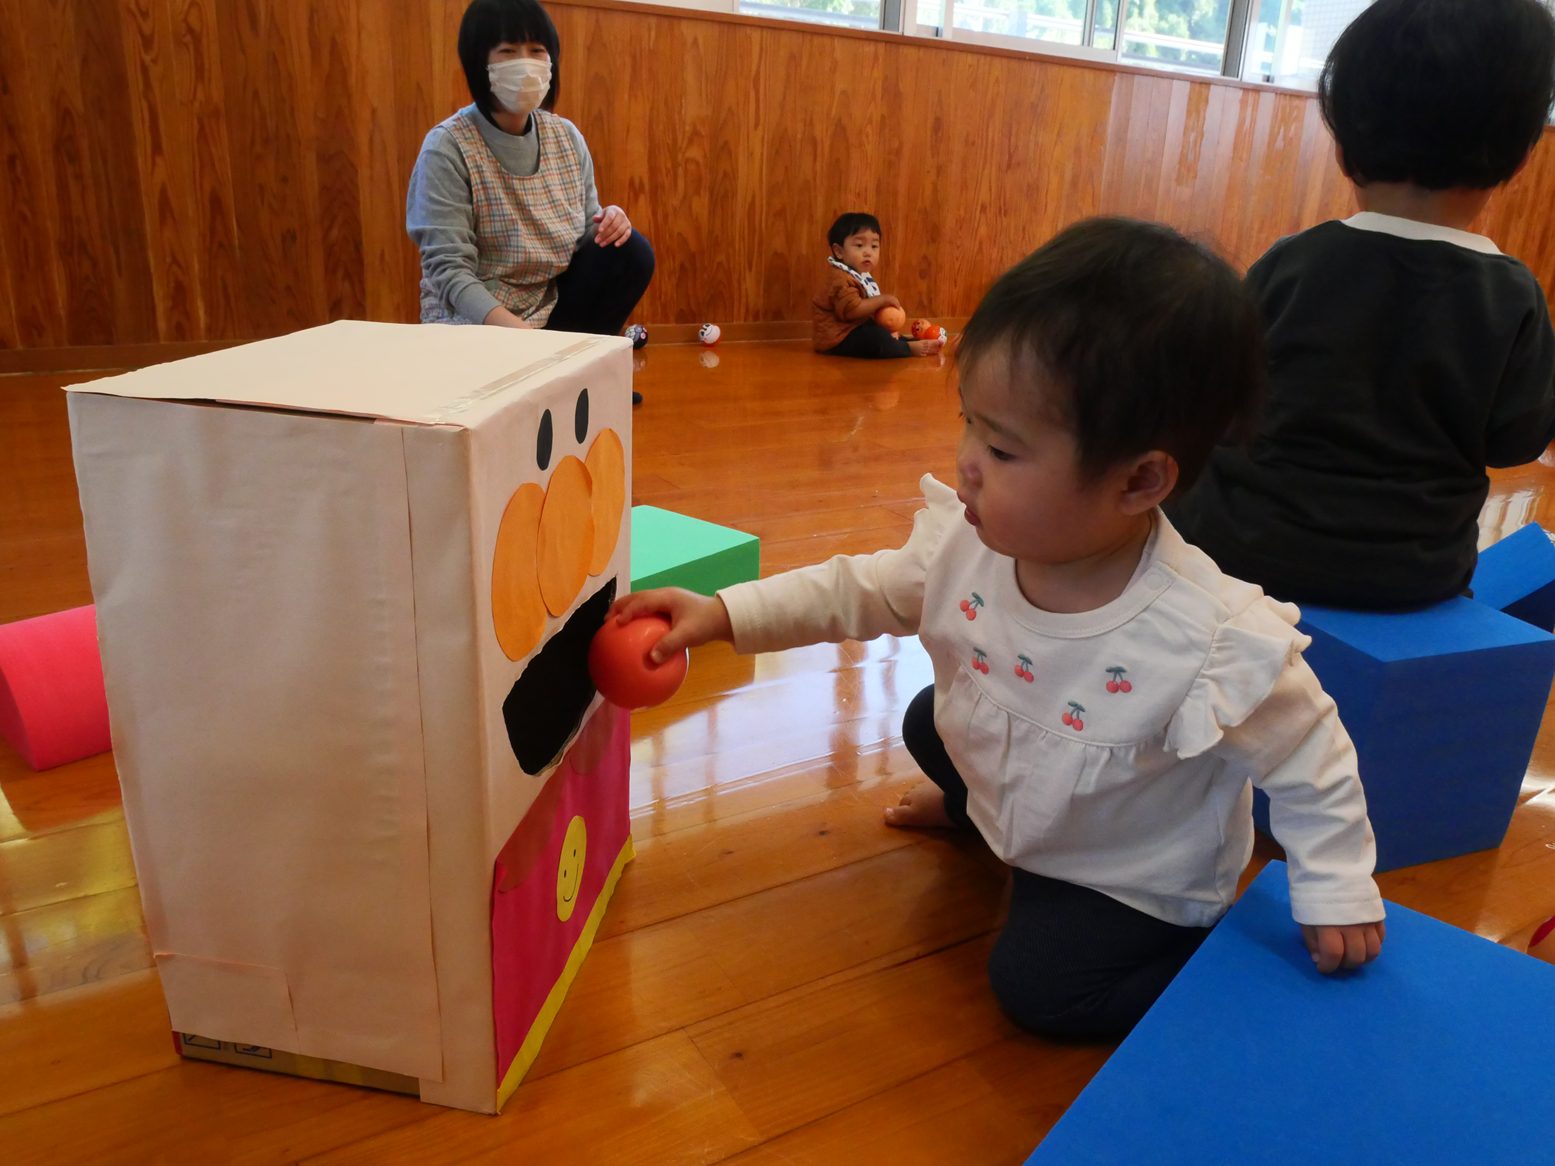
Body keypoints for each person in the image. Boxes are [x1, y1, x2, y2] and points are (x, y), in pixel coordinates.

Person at [612, 219, 1385, 1040]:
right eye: (969, 422)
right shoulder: (966, 545)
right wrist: (724, 612)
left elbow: (1309, 754)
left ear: (1139, 481)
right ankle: (977, 812)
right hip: (1029, 781)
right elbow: (856, 589)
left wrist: (1335, 884)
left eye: (1005, 450)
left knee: (1039, 990)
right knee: (926, 719)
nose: (967, 461)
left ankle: (1211, 969)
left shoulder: (1207, 634)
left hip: (1124, 870)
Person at [1168, 0, 1555, 609]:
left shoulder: (1291, 263)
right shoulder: (1513, 297)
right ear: (1521, 159)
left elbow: (1215, 397)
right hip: (1412, 574)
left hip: (1236, 548)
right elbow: (1515, 442)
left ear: (1344, 150)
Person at [407, 0, 654, 398]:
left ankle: (577, 378)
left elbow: (586, 234)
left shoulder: (566, 136)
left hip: (548, 306)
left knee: (629, 251)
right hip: (478, 322)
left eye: (537, 51)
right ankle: (560, 379)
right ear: (479, 63)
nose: (525, 65)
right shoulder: (447, 147)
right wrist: (523, 339)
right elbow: (449, 272)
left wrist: (611, 220)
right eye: (508, 51)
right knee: (498, 396)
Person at [812, 213, 945, 358]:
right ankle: (906, 348)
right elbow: (852, 311)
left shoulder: (859, 275)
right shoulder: (840, 278)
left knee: (884, 333)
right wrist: (882, 300)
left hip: (855, 328)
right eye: (859, 245)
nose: (868, 252)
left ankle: (904, 342)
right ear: (839, 251)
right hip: (838, 339)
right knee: (876, 339)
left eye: (874, 246)